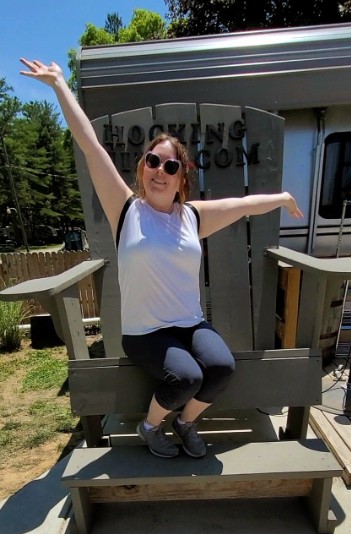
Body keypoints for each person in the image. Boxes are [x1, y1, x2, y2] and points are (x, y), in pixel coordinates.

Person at [20, 58, 303, 459]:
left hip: (190, 324)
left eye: (170, 165)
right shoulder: (126, 210)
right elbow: (89, 143)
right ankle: (151, 426)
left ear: (180, 177)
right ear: (143, 167)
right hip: (145, 333)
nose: (160, 170)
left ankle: (185, 423)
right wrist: (59, 85)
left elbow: (242, 204)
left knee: (221, 367)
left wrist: (283, 197)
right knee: (186, 376)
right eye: (153, 161)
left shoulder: (192, 217)